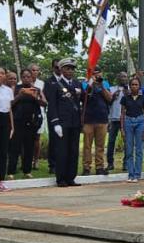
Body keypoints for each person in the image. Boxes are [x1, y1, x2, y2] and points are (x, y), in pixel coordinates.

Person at [47, 58, 83, 187]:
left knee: (73, 151)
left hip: (75, 122)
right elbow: (52, 106)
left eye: (72, 69)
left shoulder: (78, 84)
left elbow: (83, 100)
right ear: (61, 69)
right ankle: (61, 178)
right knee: (62, 151)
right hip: (62, 123)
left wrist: (89, 85)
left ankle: (70, 177)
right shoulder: (56, 85)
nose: (70, 71)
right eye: (67, 68)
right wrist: (55, 123)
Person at [11, 68, 45, 179]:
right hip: (17, 121)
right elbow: (9, 104)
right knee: (15, 147)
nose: (26, 78)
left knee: (29, 147)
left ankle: (27, 171)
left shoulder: (37, 89)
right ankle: (11, 171)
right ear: (21, 78)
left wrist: (36, 97)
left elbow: (45, 103)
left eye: (28, 76)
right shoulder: (16, 88)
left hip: (32, 122)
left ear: (32, 77)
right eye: (24, 76)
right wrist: (19, 95)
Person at [80, 68, 113, 176]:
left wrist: (101, 85)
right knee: (87, 145)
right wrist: (91, 84)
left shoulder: (105, 83)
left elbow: (109, 99)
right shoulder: (85, 83)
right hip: (88, 119)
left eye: (98, 73)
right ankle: (86, 167)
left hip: (102, 118)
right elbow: (84, 97)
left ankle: (99, 167)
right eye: (94, 73)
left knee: (100, 145)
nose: (96, 75)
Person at [120, 76, 144, 182]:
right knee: (129, 149)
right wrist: (122, 128)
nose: (134, 86)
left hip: (140, 122)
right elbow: (122, 113)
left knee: (139, 149)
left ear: (139, 86)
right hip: (128, 121)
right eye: (132, 84)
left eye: (136, 84)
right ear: (130, 86)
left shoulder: (143, 98)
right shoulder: (125, 98)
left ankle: (137, 174)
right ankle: (130, 174)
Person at [105, 71, 128, 172]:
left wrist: (128, 93)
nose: (124, 78)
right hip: (114, 119)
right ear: (118, 78)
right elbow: (108, 102)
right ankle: (110, 163)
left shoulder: (130, 90)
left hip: (126, 119)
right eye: (122, 76)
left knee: (127, 142)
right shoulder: (112, 89)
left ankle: (126, 164)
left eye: (125, 77)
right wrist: (114, 96)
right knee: (111, 142)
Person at [42, 59, 61, 174]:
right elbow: (48, 97)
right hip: (53, 114)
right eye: (56, 67)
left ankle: (62, 162)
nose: (58, 69)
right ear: (53, 68)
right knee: (54, 139)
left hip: (65, 114)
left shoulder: (67, 80)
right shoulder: (49, 82)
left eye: (60, 67)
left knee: (63, 140)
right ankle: (52, 165)